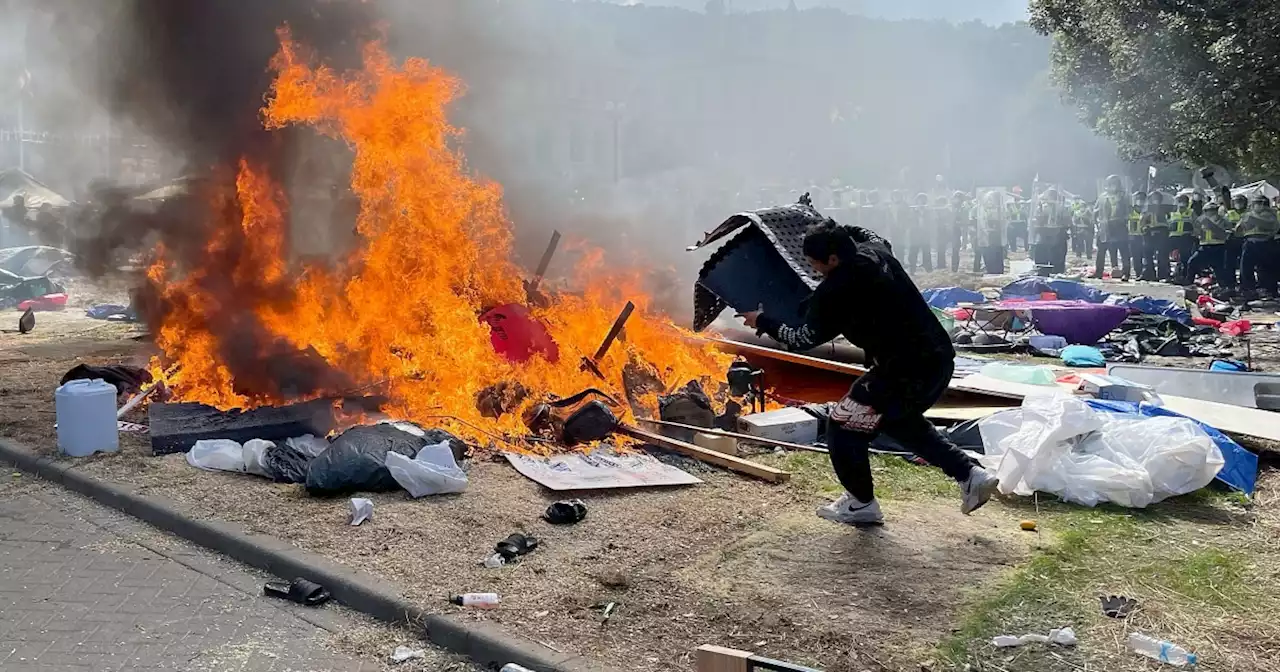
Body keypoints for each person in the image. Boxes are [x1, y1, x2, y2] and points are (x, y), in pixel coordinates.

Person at [738, 221, 999, 525]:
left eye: (815, 264)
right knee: (899, 422)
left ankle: (861, 504)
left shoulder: (836, 291)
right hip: (938, 359)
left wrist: (762, 321)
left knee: (842, 424)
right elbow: (864, 232)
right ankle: (970, 475)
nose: (813, 270)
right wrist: (823, 224)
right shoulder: (877, 251)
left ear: (832, 259)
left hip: (902, 370)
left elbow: (801, 339)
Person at [1238, 194, 1280, 299]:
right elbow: (1238, 229)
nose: (1257, 206)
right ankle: (1249, 290)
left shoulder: (1271, 214)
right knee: (1246, 268)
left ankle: (1268, 290)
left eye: (1259, 203)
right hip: (1250, 242)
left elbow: (1272, 225)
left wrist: (1253, 219)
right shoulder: (1248, 214)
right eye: (1255, 203)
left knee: (1266, 268)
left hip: (1266, 242)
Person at [1186, 203, 1231, 290]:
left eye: (1212, 210)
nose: (1210, 213)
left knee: (1219, 269)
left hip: (1218, 247)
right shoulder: (1202, 221)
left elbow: (1227, 233)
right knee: (1192, 262)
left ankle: (1223, 287)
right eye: (1208, 211)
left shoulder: (1223, 220)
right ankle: (1189, 283)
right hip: (1204, 246)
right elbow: (1197, 233)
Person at [1093, 176, 1129, 279]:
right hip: (1105, 228)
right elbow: (1095, 211)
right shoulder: (1102, 197)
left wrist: (1124, 220)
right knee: (1101, 251)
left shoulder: (1124, 196)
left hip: (1120, 227)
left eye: (1115, 184)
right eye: (1110, 184)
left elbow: (1129, 211)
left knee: (1123, 251)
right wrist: (1097, 224)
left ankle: (1126, 273)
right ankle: (1098, 272)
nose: (1112, 186)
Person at [1140, 193, 1171, 281]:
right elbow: (1142, 221)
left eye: (1157, 198)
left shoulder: (1164, 208)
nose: (1155, 200)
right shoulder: (1146, 209)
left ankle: (1163, 274)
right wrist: (1144, 229)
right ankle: (1149, 273)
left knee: (1162, 254)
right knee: (1147, 254)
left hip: (1161, 232)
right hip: (1149, 233)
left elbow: (1169, 220)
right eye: (1153, 198)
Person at [1168, 194, 1198, 284]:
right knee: (1170, 257)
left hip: (1186, 237)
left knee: (1185, 258)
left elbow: (1196, 224)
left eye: (1184, 201)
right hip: (1174, 237)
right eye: (1180, 201)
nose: (1182, 203)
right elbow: (1168, 224)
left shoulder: (1191, 212)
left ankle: (1184, 276)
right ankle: (1172, 274)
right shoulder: (1173, 212)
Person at [976, 191, 1006, 274]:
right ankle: (990, 270)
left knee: (997, 254)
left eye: (992, 200)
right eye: (988, 200)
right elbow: (981, 223)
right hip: (986, 237)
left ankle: (998, 271)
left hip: (997, 237)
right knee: (988, 254)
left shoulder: (1000, 210)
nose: (990, 202)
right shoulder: (982, 210)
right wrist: (986, 231)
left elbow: (1004, 222)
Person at [1225, 193, 1247, 292]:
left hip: (1244, 241)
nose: (1238, 204)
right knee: (1229, 264)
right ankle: (1231, 284)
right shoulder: (1229, 214)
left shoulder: (1249, 214)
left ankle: (1244, 285)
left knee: (1245, 264)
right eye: (1236, 202)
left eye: (1240, 202)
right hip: (1231, 240)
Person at [907, 192, 933, 273]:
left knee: (927, 253)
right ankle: (912, 270)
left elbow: (931, 221)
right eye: (919, 200)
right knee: (913, 253)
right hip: (915, 235)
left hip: (925, 235)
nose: (921, 202)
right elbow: (909, 221)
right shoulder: (912, 210)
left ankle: (928, 269)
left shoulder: (929, 211)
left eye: (923, 200)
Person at [1124, 191, 1147, 281]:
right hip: (1133, 237)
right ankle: (1138, 273)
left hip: (1145, 236)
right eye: (1138, 199)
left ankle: (1145, 273)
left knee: (1145, 256)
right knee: (1136, 256)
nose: (1140, 201)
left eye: (1142, 199)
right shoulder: (1130, 211)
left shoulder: (1147, 210)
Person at [936, 194, 961, 273]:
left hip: (955, 231)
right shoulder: (940, 210)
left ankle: (954, 267)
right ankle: (941, 266)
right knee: (941, 249)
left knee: (955, 250)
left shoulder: (958, 208)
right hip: (943, 232)